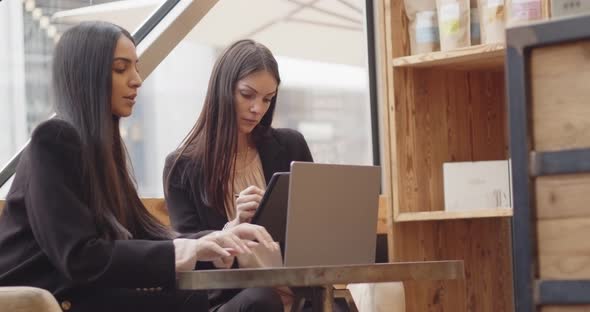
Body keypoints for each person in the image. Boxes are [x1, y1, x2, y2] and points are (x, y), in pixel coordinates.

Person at [0, 21, 280, 312]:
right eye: (121, 69)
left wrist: (217, 238)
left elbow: (141, 234)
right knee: (230, 302)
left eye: (136, 67)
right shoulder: (54, 140)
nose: (137, 80)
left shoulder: (102, 150)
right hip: (46, 300)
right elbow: (80, 256)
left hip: (85, 294)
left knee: (223, 300)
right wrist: (192, 249)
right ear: (87, 74)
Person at [163, 39, 313, 310]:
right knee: (262, 299)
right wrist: (231, 229)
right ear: (223, 90)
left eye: (267, 99)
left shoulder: (291, 146)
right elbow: (188, 257)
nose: (258, 108)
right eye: (247, 95)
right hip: (235, 301)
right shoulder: (182, 167)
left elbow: (314, 228)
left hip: (299, 294)